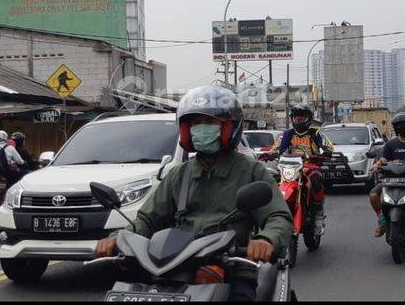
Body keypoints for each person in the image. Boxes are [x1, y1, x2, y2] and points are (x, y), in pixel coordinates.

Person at [94, 86, 293, 301]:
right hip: (175, 266)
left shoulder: (251, 171)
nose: (201, 129)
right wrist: (118, 239)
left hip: (232, 266)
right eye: (196, 123)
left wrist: (266, 240)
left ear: (229, 128)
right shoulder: (178, 175)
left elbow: (277, 217)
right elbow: (148, 219)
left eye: (209, 123)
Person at [262, 105, 327, 236]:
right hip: (289, 167)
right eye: (297, 117)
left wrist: (324, 154)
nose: (299, 120)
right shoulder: (286, 134)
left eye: (302, 117)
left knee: (316, 181)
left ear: (308, 119)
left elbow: (328, 147)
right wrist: (269, 154)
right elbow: (275, 149)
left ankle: (319, 213)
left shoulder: (316, 133)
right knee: (270, 181)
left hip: (310, 166)